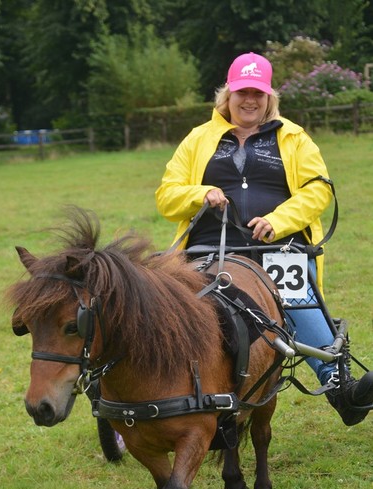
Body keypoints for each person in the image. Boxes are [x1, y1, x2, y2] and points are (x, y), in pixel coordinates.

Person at [155, 51, 373, 427]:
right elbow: (166, 195)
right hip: (209, 249)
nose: (249, 100)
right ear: (228, 95)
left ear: (269, 97)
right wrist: (200, 193)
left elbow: (318, 191)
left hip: (277, 249)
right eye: (242, 92)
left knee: (299, 301)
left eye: (258, 92)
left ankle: (341, 390)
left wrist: (278, 220)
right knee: (173, 314)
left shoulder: (294, 137)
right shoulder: (197, 139)